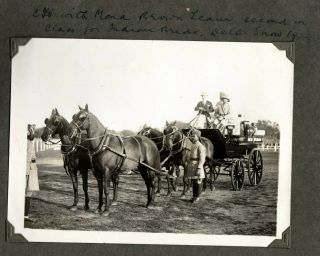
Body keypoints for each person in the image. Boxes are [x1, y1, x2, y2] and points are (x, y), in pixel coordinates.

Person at [185, 129, 206, 203]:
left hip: (197, 165)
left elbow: (202, 158)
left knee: (198, 181)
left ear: (198, 137)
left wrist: (199, 167)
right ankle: (194, 196)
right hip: (192, 164)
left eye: (194, 136)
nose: (192, 137)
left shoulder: (200, 146)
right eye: (192, 136)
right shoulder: (193, 145)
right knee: (194, 181)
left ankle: (197, 197)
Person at [25, 124, 40, 220]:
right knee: (24, 191)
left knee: (29, 192)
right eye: (31, 131)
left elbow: (33, 158)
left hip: (31, 169)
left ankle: (25, 215)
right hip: (25, 170)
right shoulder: (25, 142)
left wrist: (34, 170)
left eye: (33, 131)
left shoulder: (30, 142)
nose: (33, 133)